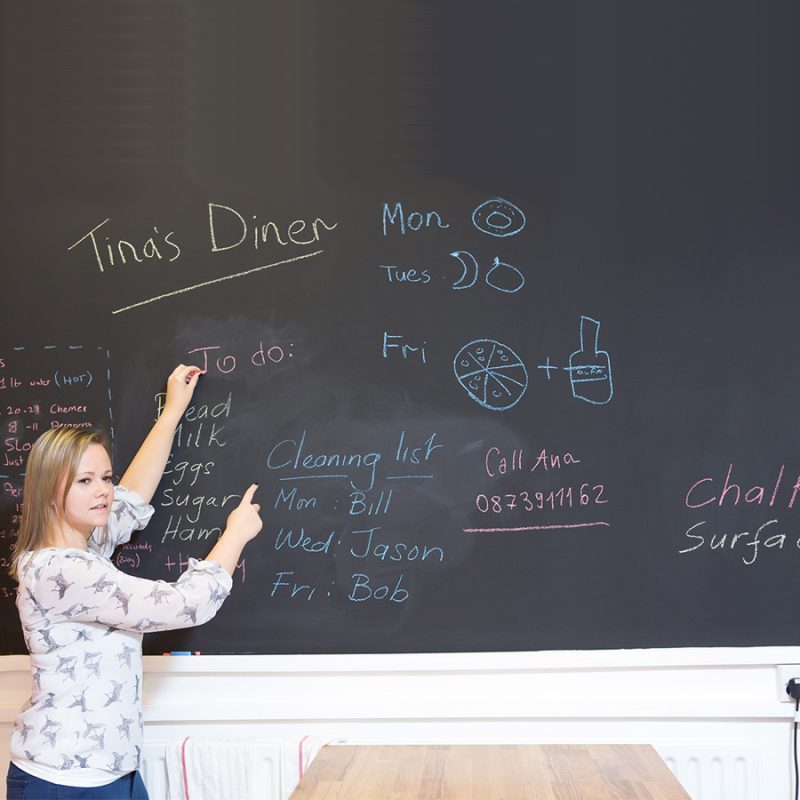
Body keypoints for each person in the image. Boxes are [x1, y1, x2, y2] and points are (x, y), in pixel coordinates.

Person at [5, 364, 262, 800]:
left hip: (115, 771)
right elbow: (184, 605)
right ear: (51, 491)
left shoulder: (86, 549)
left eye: (104, 476)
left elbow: (133, 497)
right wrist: (235, 536)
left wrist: (172, 411)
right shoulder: (62, 571)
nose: (103, 490)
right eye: (84, 481)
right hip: (62, 782)